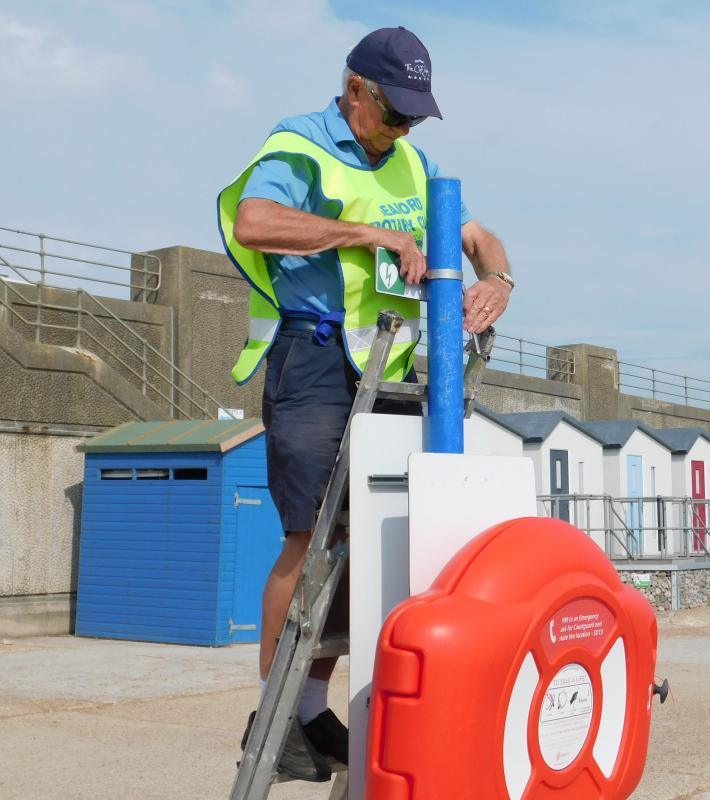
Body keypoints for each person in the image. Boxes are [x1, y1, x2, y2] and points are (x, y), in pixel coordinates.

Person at [217, 27, 514, 782]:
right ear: (355, 94)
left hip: (389, 370)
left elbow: (478, 234)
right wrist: (364, 231)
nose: (405, 130)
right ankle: (274, 715)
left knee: (372, 534)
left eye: (416, 117)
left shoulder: (416, 163)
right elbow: (255, 221)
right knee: (311, 533)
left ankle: (312, 710)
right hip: (313, 359)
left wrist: (498, 281)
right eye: (395, 114)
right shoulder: (301, 144)